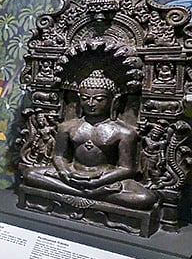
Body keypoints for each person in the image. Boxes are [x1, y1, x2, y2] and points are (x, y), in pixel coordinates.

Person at [22, 69, 156, 209]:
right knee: (30, 174)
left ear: (113, 101)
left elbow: (126, 169)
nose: (91, 103)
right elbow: (59, 156)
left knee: (145, 198)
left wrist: (97, 181)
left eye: (99, 99)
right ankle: (92, 193)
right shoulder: (67, 127)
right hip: (72, 173)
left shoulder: (124, 132)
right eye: (85, 98)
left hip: (105, 178)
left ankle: (85, 191)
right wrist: (64, 172)